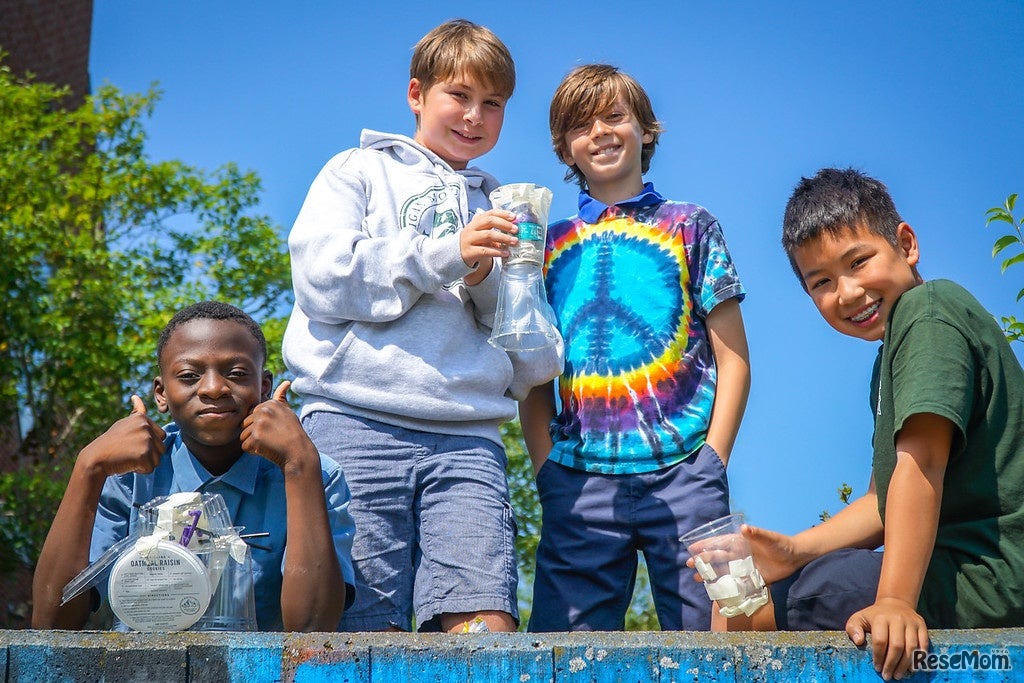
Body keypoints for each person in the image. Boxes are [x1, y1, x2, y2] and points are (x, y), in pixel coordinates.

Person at [282, 19, 561, 633]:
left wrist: (495, 287)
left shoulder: (507, 210)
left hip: (469, 439)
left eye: (493, 104)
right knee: (359, 630)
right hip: (354, 422)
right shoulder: (355, 170)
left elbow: (538, 366)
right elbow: (323, 280)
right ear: (417, 94)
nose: (474, 116)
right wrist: (446, 254)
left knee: (484, 629)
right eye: (458, 96)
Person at [734, 167, 1024, 681]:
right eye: (821, 282)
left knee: (796, 597)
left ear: (905, 243)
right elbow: (883, 504)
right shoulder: (891, 353)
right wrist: (793, 548)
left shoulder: (927, 313)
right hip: (959, 568)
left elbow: (923, 463)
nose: (847, 292)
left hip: (991, 576)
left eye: (858, 261)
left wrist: (894, 600)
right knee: (750, 590)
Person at [521, 64, 750, 631]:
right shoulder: (546, 244)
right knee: (560, 652)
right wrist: (545, 467)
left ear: (646, 130)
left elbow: (734, 358)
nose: (598, 132)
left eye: (614, 116)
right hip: (577, 484)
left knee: (733, 630)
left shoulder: (693, 225)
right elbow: (532, 370)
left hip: (689, 474)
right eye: (580, 124)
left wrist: (712, 461)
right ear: (564, 147)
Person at [32, 301, 356, 632]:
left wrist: (300, 463)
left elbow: (313, 629)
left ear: (264, 387)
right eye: (189, 376)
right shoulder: (127, 478)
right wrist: (88, 467)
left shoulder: (315, 474)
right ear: (161, 393)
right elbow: (51, 622)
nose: (213, 388)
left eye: (237, 373)